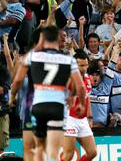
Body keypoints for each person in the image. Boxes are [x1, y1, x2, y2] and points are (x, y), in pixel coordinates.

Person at [9, 26, 87, 161]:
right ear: (58, 39)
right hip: (57, 107)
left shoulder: (33, 56)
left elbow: (17, 80)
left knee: (39, 148)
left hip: (37, 106)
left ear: (42, 39)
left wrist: (12, 96)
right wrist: (77, 100)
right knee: (53, 153)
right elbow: (80, 87)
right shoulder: (68, 59)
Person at [63, 50, 97, 161]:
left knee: (92, 153)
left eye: (86, 65)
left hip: (82, 119)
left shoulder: (87, 78)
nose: (84, 68)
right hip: (69, 118)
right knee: (68, 155)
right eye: (81, 65)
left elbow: (87, 99)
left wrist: (90, 117)